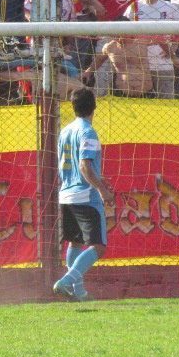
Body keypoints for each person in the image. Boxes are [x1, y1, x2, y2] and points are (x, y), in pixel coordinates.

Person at [51, 88, 113, 300]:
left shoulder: (65, 131)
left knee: (75, 243)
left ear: (73, 107)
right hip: (85, 195)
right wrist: (102, 189)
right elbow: (84, 165)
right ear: (94, 107)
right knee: (99, 246)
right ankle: (66, 281)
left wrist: (98, 178)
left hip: (66, 194)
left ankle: (78, 292)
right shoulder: (88, 132)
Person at [125, 0, 179, 98]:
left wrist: (173, 48)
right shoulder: (134, 7)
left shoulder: (169, 7)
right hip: (140, 64)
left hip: (163, 62)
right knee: (142, 103)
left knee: (166, 101)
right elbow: (125, 33)